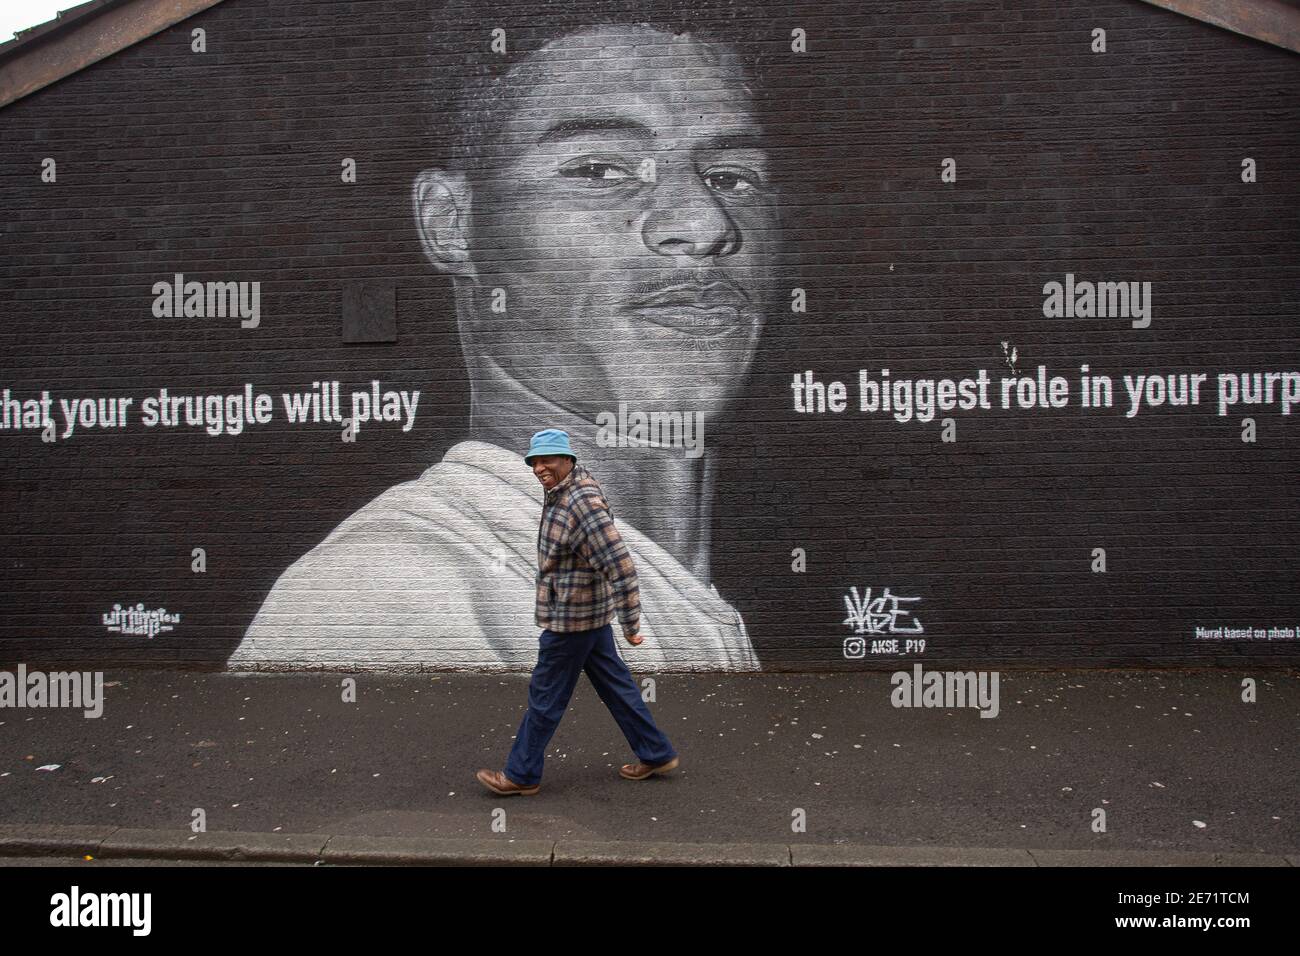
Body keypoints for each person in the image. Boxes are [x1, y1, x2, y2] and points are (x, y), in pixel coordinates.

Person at [231, 19, 779, 671]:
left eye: (733, 176)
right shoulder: (395, 597)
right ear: (451, 224)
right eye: (600, 170)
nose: (703, 223)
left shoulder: (699, 588)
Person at [476, 428, 678, 796]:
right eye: (534, 461)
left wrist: (631, 623)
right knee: (617, 688)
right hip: (589, 617)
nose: (539, 468)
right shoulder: (563, 492)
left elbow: (620, 565)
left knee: (546, 696)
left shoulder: (579, 503)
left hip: (570, 622)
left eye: (547, 459)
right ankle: (656, 752)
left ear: (568, 459)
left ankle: (521, 774)